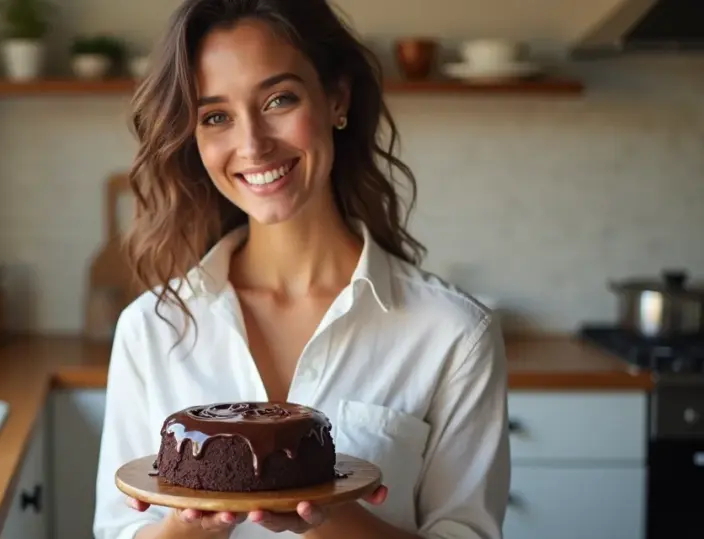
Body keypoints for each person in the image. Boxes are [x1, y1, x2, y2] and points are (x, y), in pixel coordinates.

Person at [92, 0, 511, 537]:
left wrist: (334, 514)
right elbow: (116, 531)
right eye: (215, 116)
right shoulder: (151, 328)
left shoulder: (453, 334)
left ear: (337, 98)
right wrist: (189, 526)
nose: (252, 144)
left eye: (278, 99)